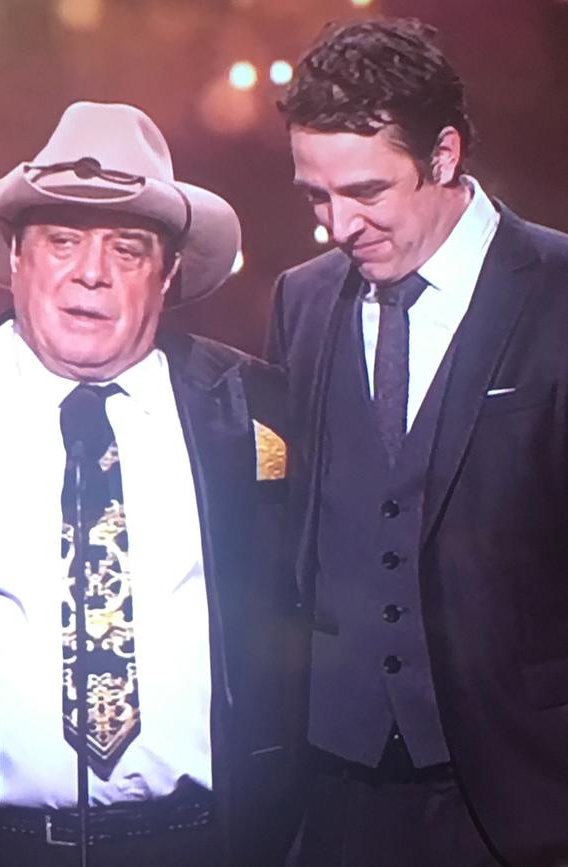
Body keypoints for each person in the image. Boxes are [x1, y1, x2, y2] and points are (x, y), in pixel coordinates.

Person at [0, 101, 299, 867]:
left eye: (127, 250)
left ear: (168, 276)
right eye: (62, 240)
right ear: (17, 258)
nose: (90, 272)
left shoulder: (259, 410)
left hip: (206, 846)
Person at [267, 17, 568, 867]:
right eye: (316, 197)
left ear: (444, 155)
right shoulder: (303, 299)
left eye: (366, 191)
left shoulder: (559, 292)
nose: (337, 225)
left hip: (520, 797)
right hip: (333, 788)